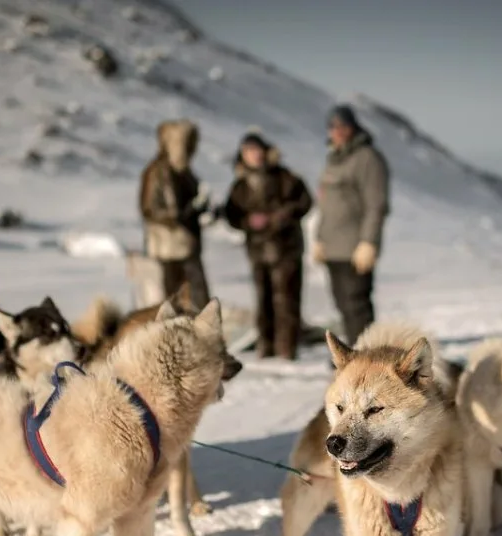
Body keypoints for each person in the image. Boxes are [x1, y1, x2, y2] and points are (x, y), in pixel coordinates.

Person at [223, 132, 313, 360]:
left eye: (257, 150)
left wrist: (279, 217)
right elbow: (232, 214)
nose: (254, 155)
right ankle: (266, 346)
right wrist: (248, 222)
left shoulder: (285, 177)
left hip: (287, 249)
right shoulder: (241, 186)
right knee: (263, 300)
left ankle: (287, 348)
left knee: (287, 299)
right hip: (258, 251)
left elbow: (304, 202)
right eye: (248, 151)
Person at [313, 104, 390, 345]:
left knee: (357, 304)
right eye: (333, 127)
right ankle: (351, 354)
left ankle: (367, 353)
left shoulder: (367, 158)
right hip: (332, 247)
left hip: (355, 247)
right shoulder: (334, 159)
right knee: (342, 304)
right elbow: (327, 203)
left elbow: (376, 204)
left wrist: (369, 241)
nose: (337, 131)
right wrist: (319, 238)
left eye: (343, 126)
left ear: (353, 127)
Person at [138, 118, 213, 308]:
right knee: (171, 303)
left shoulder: (186, 173)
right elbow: (149, 209)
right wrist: (180, 214)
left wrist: (202, 208)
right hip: (167, 249)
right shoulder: (157, 172)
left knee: (199, 300)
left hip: (188, 247)